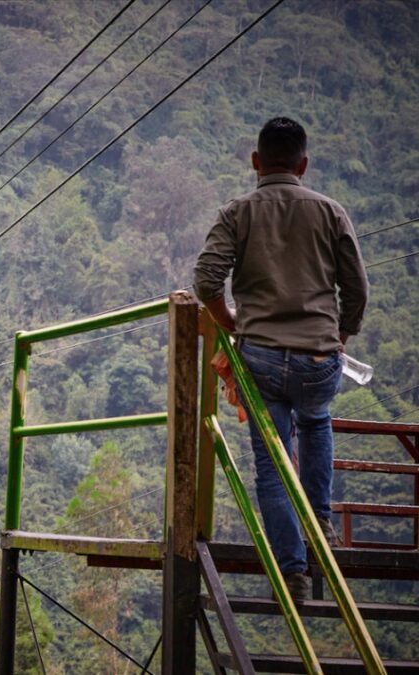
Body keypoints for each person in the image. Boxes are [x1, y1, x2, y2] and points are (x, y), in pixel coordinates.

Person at [193, 117, 368, 601]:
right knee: (315, 422)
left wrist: (229, 321)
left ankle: (291, 573)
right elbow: (356, 289)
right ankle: (321, 525)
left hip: (262, 358)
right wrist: (340, 335)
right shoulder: (331, 212)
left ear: (256, 161)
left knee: (270, 463)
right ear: (303, 164)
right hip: (319, 357)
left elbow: (206, 281)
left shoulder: (237, 213)